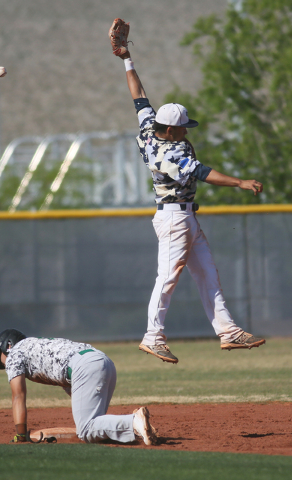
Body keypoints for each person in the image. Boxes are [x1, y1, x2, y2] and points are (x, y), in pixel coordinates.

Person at [109, 18, 265, 364]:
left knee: (209, 273)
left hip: (185, 219)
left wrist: (126, 59)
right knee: (166, 279)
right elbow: (204, 172)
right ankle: (153, 336)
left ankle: (227, 331)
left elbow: (139, 97)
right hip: (174, 220)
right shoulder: (171, 153)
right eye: (184, 129)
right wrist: (240, 182)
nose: (186, 133)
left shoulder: (151, 131)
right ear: (173, 130)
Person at [0, 328, 158, 445]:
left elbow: (18, 396)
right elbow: (76, 389)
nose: (5, 366)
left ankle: (133, 421)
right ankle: (141, 429)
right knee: (96, 426)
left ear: (8, 346)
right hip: (103, 361)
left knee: (86, 430)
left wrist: (20, 435)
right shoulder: (40, 348)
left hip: (84, 367)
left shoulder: (14, 353)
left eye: (1, 359)